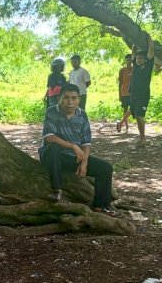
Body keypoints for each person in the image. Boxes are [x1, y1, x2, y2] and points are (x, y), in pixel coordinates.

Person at [39, 83, 116, 215]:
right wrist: (73, 146)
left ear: (79, 99)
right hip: (53, 157)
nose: (70, 102)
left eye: (74, 98)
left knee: (106, 168)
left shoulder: (82, 115)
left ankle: (100, 205)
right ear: (60, 99)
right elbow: (48, 137)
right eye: (66, 98)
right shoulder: (52, 111)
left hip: (73, 158)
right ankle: (56, 191)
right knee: (53, 148)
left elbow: (86, 143)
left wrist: (84, 162)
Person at [129, 33, 155, 145]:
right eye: (138, 58)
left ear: (145, 60)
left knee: (140, 115)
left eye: (141, 58)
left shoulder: (148, 65)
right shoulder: (135, 65)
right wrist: (135, 39)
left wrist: (148, 37)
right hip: (133, 95)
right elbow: (133, 52)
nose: (138, 59)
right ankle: (141, 137)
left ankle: (143, 138)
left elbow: (151, 50)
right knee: (136, 115)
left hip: (143, 95)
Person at [116, 54, 133, 133]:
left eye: (130, 60)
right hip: (124, 92)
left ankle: (121, 123)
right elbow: (120, 83)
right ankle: (126, 127)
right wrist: (119, 94)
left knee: (132, 109)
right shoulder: (122, 70)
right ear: (125, 61)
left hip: (133, 93)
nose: (129, 61)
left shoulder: (135, 69)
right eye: (127, 60)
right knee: (125, 109)